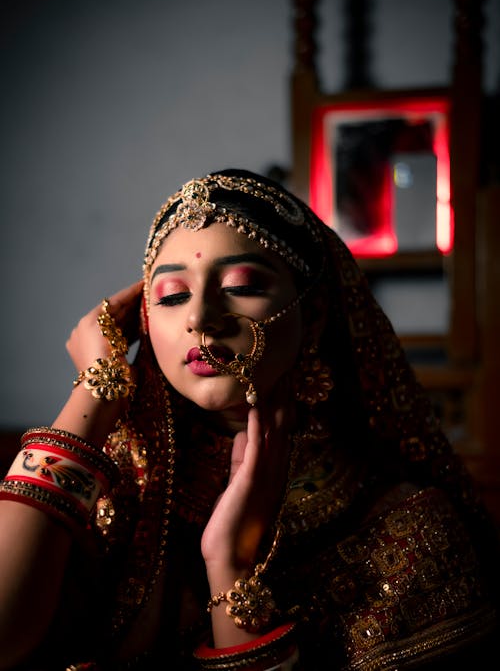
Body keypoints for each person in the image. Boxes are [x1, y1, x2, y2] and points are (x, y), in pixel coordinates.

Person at [0, 169, 498, 670]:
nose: (199, 317)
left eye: (240, 285)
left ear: (316, 311)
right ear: (145, 323)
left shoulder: (407, 528)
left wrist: (231, 568)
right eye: (172, 296)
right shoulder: (116, 486)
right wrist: (99, 388)